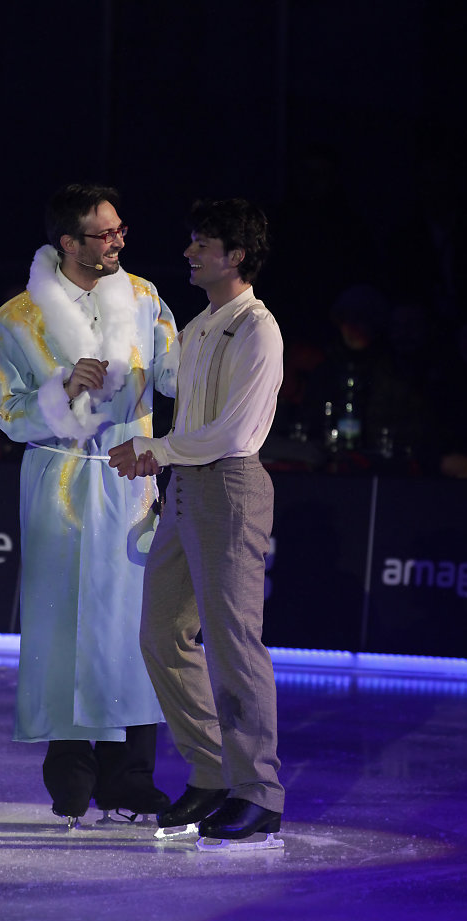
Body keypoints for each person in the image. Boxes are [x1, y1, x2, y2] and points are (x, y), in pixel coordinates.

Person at [0, 183, 178, 823]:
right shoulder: (15, 320)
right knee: (61, 622)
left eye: (121, 229)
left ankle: (131, 775)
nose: (118, 241)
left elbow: (177, 373)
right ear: (67, 242)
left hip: (131, 474)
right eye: (104, 233)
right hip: (62, 481)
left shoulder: (147, 300)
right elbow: (7, 414)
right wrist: (61, 386)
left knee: (134, 627)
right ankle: (71, 769)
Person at [109, 198, 285, 842]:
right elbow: (184, 416)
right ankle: (213, 773)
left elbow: (232, 431)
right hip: (185, 489)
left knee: (234, 645)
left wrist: (152, 452)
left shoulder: (257, 328)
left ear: (235, 255)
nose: (189, 253)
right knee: (160, 633)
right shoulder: (202, 324)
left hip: (231, 488)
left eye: (202, 244)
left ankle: (259, 791)